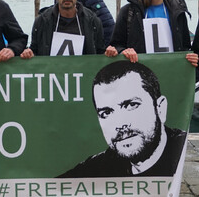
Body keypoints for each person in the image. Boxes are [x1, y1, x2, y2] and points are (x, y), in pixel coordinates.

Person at [59, 61, 187, 178]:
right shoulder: (103, 164)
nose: (120, 123)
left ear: (160, 108)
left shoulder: (180, 151)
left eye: (131, 105)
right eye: (106, 113)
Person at [105, 0, 198, 67]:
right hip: (140, 72)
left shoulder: (178, 10)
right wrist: (124, 51)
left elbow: (184, 47)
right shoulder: (128, 12)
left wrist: (191, 57)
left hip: (172, 71)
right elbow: (116, 45)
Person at [21, 0, 105, 58]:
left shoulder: (92, 21)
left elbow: (100, 53)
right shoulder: (42, 21)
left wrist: (110, 53)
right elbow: (35, 50)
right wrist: (28, 54)